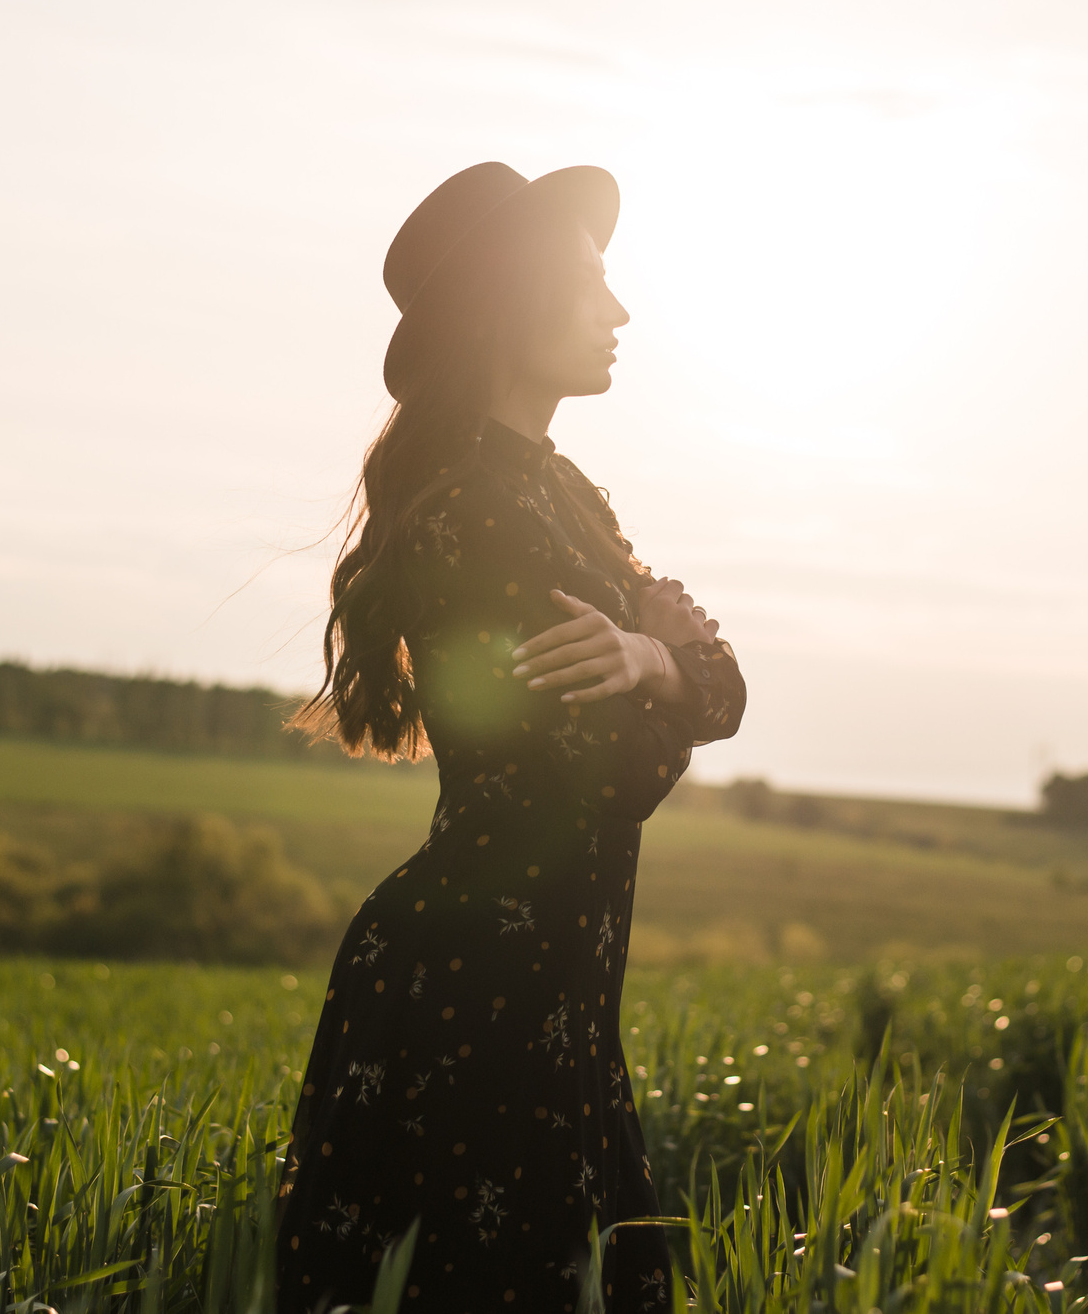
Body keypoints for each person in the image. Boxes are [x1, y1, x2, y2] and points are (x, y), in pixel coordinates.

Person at [275, 161, 747, 1312]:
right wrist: (666, 681)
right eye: (590, 280)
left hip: (554, 1002)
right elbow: (594, 769)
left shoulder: (563, 494)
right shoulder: (477, 515)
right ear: (512, 297)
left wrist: (647, 661)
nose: (620, 310)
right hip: (473, 998)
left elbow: (719, 681)